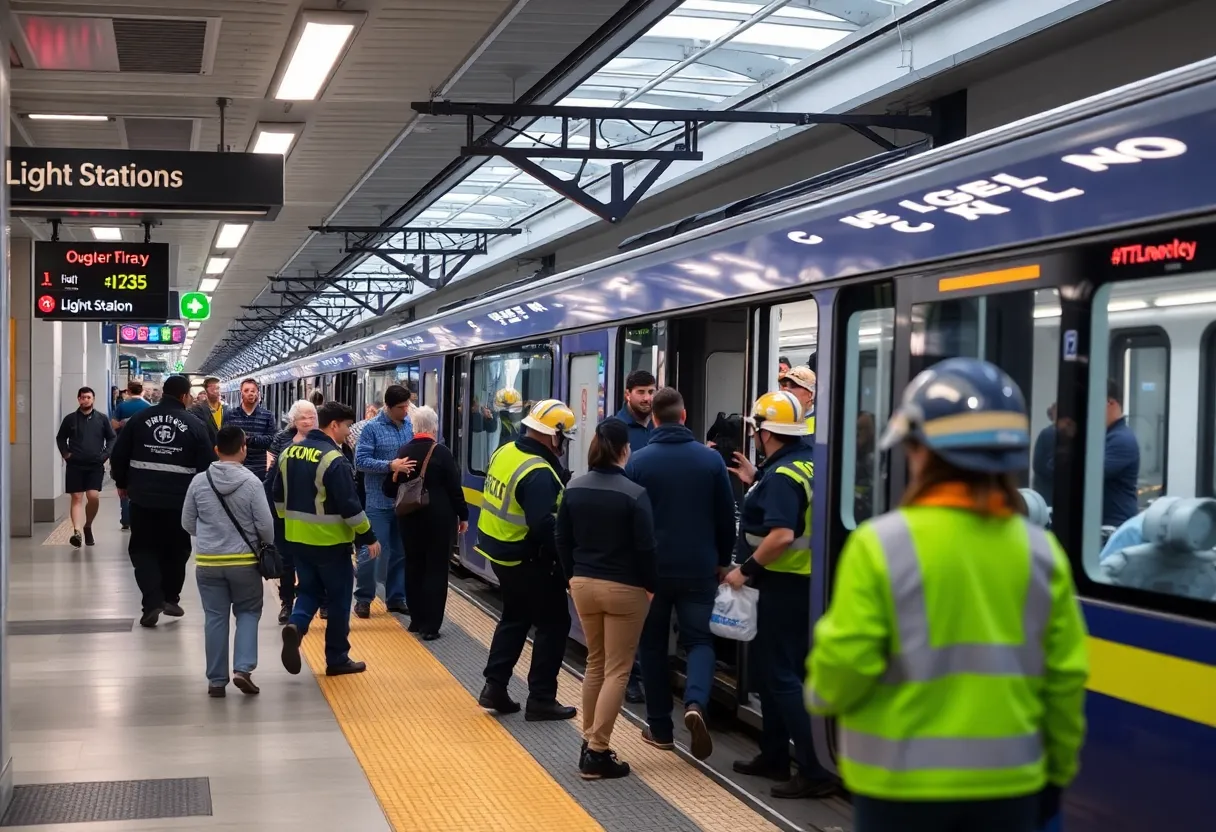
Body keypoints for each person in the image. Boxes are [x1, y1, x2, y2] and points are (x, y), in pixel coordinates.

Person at [806, 357, 1089, 832]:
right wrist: (1055, 774)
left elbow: (843, 668)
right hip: (1010, 786)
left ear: (922, 452)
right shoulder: (1041, 552)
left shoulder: (880, 544)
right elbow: (1065, 680)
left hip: (898, 786)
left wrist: (819, 692)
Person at [722, 391, 834, 799]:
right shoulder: (806, 462)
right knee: (774, 675)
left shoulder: (784, 476)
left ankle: (813, 768)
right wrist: (757, 480)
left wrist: (743, 571)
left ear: (765, 432)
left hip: (783, 583)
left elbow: (783, 534)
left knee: (783, 677)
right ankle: (772, 753)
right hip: (803, 585)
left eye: (755, 428)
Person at [626, 387, 735, 760]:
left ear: (654, 418)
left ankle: (660, 730)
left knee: (653, 647)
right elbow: (725, 516)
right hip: (699, 567)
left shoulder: (639, 462)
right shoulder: (711, 461)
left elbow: (631, 521)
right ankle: (696, 703)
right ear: (684, 416)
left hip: (653, 573)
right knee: (701, 641)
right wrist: (722, 560)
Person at [557, 419, 657, 780]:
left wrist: (572, 576)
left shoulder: (574, 488)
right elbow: (646, 547)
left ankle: (589, 741)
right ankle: (598, 751)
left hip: (583, 584)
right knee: (618, 668)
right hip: (624, 588)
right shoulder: (634, 493)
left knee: (595, 664)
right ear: (624, 450)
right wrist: (650, 585)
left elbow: (562, 538)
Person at [477, 398, 578, 721]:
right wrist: (568, 565)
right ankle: (541, 699)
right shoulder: (538, 473)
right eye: (564, 437)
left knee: (515, 616)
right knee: (554, 623)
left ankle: (495, 687)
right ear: (552, 436)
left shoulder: (506, 451)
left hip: (499, 552)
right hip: (526, 558)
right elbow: (544, 525)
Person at [272, 401, 378, 677]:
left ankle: (296, 625)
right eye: (346, 427)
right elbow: (349, 505)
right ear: (334, 425)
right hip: (330, 543)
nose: (348, 432)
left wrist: (289, 523)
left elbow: (277, 495)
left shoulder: (288, 452)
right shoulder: (333, 459)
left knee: (309, 590)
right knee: (340, 598)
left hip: (296, 539)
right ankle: (337, 658)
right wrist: (369, 537)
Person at [110, 375, 216, 627]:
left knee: (143, 549)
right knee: (177, 550)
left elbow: (119, 453)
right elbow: (206, 464)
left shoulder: (139, 419)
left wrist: (121, 483)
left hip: (143, 498)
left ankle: (151, 600)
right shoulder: (194, 423)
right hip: (179, 502)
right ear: (183, 396)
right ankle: (170, 597)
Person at [182, 426, 273, 698]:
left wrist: (212, 535)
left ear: (216, 450)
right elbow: (266, 526)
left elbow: (187, 522)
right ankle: (242, 670)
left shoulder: (199, 481)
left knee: (215, 617)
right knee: (248, 612)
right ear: (244, 448)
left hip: (208, 563)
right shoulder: (252, 482)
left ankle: (216, 681)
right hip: (244, 562)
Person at [381, 406, 467, 639]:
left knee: (414, 566)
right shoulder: (441, 452)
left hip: (409, 519)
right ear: (434, 427)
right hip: (439, 519)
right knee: (436, 570)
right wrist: (464, 516)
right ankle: (431, 627)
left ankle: (416, 621)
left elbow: (388, 489)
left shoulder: (403, 451)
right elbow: (454, 489)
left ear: (415, 427)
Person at [354, 384, 415, 619]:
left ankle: (396, 598)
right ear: (388, 407)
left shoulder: (408, 426)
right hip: (378, 502)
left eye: (407, 406)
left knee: (400, 552)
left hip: (403, 501)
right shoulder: (371, 429)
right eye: (401, 407)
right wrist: (390, 466)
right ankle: (363, 598)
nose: (406, 411)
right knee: (372, 551)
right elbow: (360, 462)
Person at [265, 400, 318, 624]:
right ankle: (287, 602)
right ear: (293, 421)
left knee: (314, 560)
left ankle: (319, 601)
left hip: (316, 512)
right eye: (303, 417)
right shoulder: (281, 440)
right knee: (287, 560)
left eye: (311, 417)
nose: (307, 421)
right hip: (284, 511)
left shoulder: (322, 440)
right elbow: (271, 475)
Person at [56, 386, 117, 549]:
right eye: (82, 397)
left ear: (93, 399)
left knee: (93, 496)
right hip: (75, 464)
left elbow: (112, 438)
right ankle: (76, 532)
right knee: (76, 498)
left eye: (88, 397)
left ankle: (88, 525)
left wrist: (105, 455)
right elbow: (61, 438)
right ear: (78, 399)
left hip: (95, 464)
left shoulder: (102, 419)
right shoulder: (70, 419)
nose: (85, 400)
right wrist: (66, 454)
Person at [111, 380, 151, 531]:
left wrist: (123, 424)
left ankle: (126, 518)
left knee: (124, 483)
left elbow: (114, 425)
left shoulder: (122, 406)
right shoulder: (148, 407)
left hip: (123, 448)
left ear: (128, 391)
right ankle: (140, 516)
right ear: (142, 392)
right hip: (143, 451)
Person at [225, 378, 277, 479]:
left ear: (258, 393)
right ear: (241, 393)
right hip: (235, 466)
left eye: (253, 391)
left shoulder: (267, 416)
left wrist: (247, 439)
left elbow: (271, 440)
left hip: (259, 468)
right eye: (246, 390)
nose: (250, 393)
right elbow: (226, 440)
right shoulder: (230, 415)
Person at [615, 370, 655, 453]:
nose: (647, 398)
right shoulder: (613, 429)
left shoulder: (661, 425)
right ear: (627, 394)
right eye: (641, 392)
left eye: (651, 392)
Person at [778, 365, 817, 436]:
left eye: (794, 385)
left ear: (811, 394)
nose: (787, 389)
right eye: (784, 384)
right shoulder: (776, 417)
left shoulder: (825, 423)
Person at [1031, 403, 1057, 507]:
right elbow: (1039, 466)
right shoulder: (1049, 434)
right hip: (1048, 491)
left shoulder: (1046, 433)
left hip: (1042, 492)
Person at [189, 376, 227, 441]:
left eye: (218, 388)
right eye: (213, 389)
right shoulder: (197, 410)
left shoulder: (226, 408)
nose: (216, 391)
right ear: (206, 391)